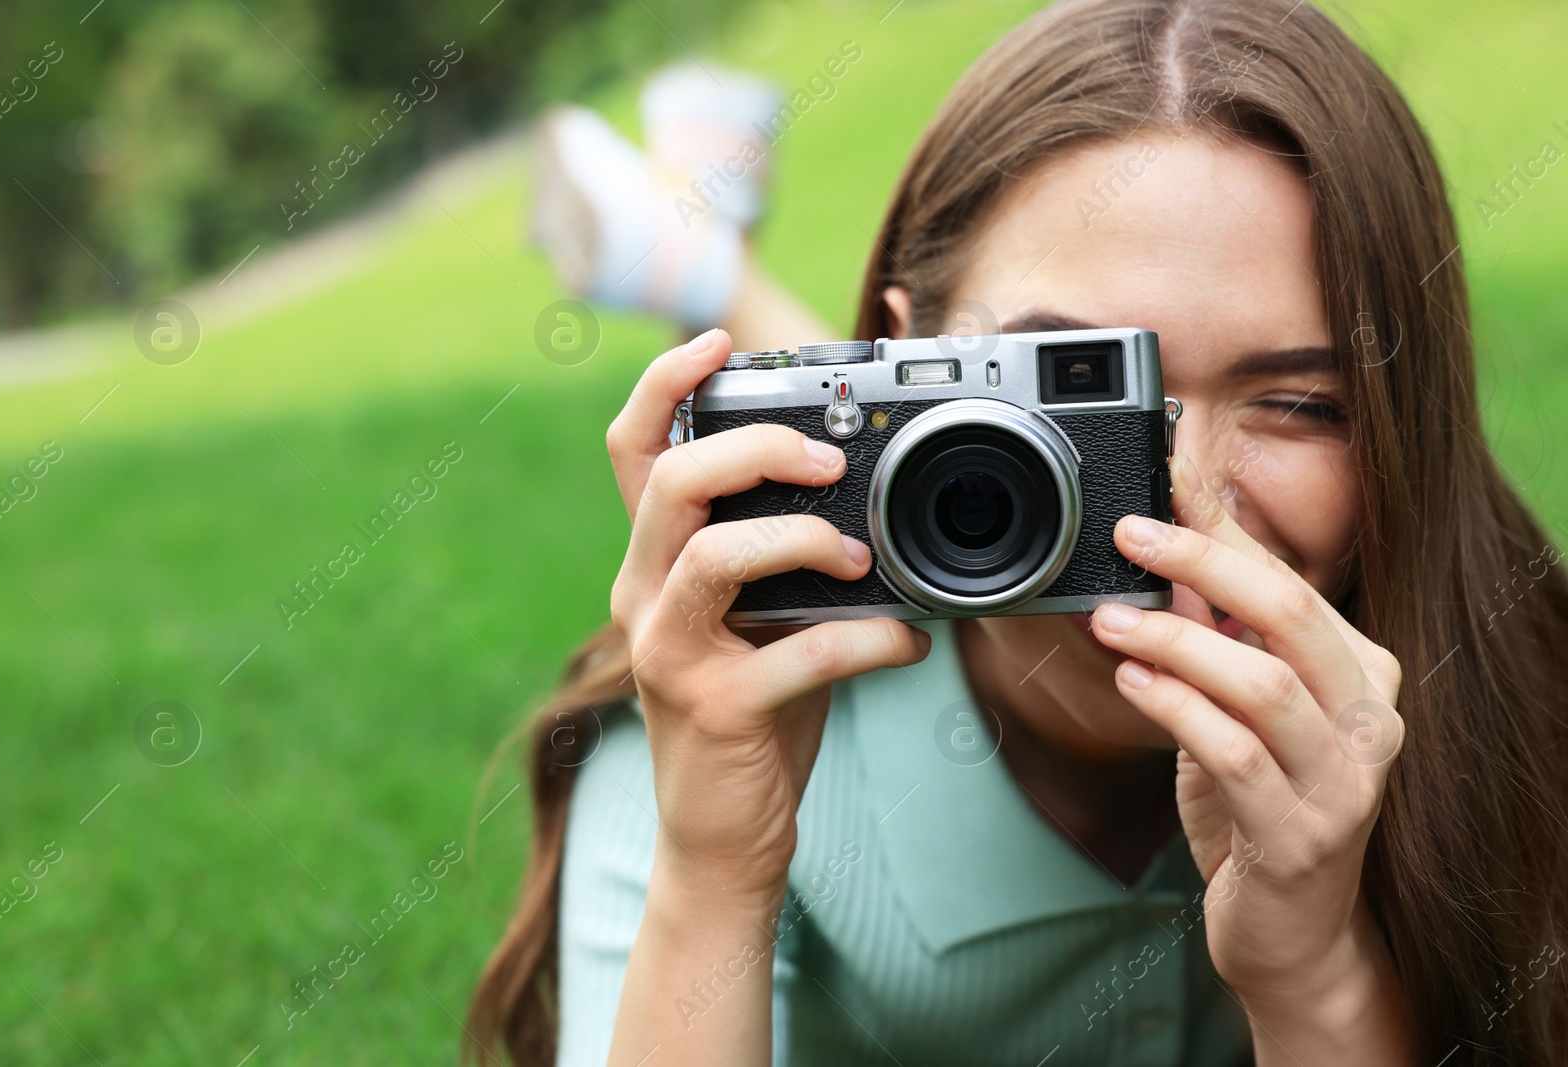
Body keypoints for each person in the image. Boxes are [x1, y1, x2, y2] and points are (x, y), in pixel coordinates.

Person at [470, 1, 1568, 1064]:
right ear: (900, 363)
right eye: (1068, 392)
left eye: (1301, 403)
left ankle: (702, 259)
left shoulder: (1513, 703)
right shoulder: (713, 738)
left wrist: (1313, 974)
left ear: (1406, 423)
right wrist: (715, 872)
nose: (1169, 497)